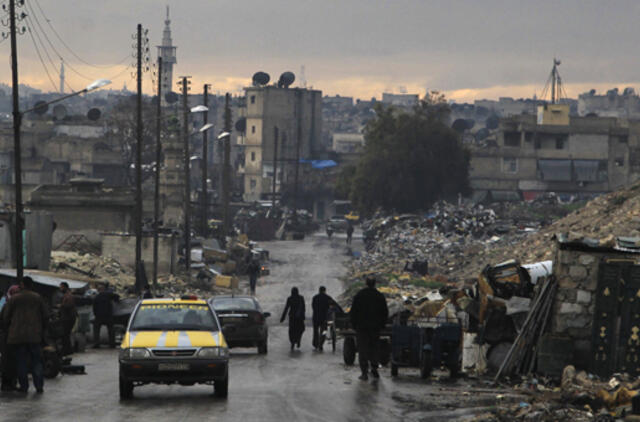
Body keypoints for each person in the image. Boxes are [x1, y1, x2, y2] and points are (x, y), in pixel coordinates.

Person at [3, 277, 48, 393]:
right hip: (34, 335)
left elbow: (6, 317)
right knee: (36, 361)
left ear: (22, 284)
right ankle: (39, 386)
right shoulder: (37, 298)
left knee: (21, 361)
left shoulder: (14, 299)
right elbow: (45, 316)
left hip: (17, 336)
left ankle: (24, 387)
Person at [350, 276, 388, 381]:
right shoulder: (379, 296)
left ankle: (364, 373)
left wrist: (354, 325)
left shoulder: (360, 295)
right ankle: (374, 368)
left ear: (366, 283)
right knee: (374, 347)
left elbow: (353, 312)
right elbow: (384, 312)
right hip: (375, 327)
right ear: (375, 284)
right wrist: (382, 325)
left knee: (363, 349)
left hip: (362, 327)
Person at [0, 285, 20, 392]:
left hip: (7, 336)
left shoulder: (7, 304)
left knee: (7, 360)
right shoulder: (11, 306)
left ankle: (8, 383)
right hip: (12, 336)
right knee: (11, 360)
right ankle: (10, 382)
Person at [92, 282, 119, 348]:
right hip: (108, 316)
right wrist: (117, 301)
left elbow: (94, 308)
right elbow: (117, 296)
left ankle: (97, 343)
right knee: (111, 330)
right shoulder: (108, 294)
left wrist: (96, 315)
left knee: (96, 330)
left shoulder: (96, 297)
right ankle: (112, 344)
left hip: (99, 316)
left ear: (98, 290)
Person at [280, 287, 305, 351]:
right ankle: (298, 339)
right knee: (300, 329)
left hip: (292, 317)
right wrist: (303, 316)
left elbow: (286, 308)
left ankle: (293, 342)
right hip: (299, 318)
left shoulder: (290, 298)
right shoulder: (301, 298)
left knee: (291, 330)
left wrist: (283, 317)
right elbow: (303, 308)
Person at [311, 286, 335, 351]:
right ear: (325, 290)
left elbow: (313, 307)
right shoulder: (328, 298)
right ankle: (321, 344)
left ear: (319, 290)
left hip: (316, 317)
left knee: (315, 331)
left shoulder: (315, 297)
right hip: (324, 318)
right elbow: (334, 305)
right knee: (324, 331)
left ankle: (315, 343)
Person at [59, 282, 77, 356]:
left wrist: (61, 306)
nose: (60, 289)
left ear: (65, 287)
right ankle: (68, 349)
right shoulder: (67, 295)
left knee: (65, 334)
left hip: (68, 318)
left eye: (61, 287)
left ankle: (67, 350)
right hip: (68, 317)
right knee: (66, 335)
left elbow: (69, 305)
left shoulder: (68, 296)